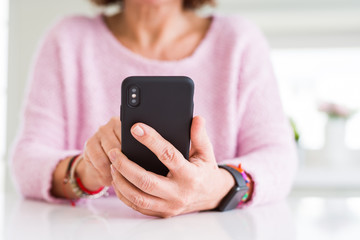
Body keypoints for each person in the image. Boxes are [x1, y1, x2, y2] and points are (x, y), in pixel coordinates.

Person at [10, 0, 298, 218]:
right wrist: (88, 171)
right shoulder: (68, 39)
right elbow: (26, 161)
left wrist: (218, 187)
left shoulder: (238, 41)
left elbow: (279, 158)